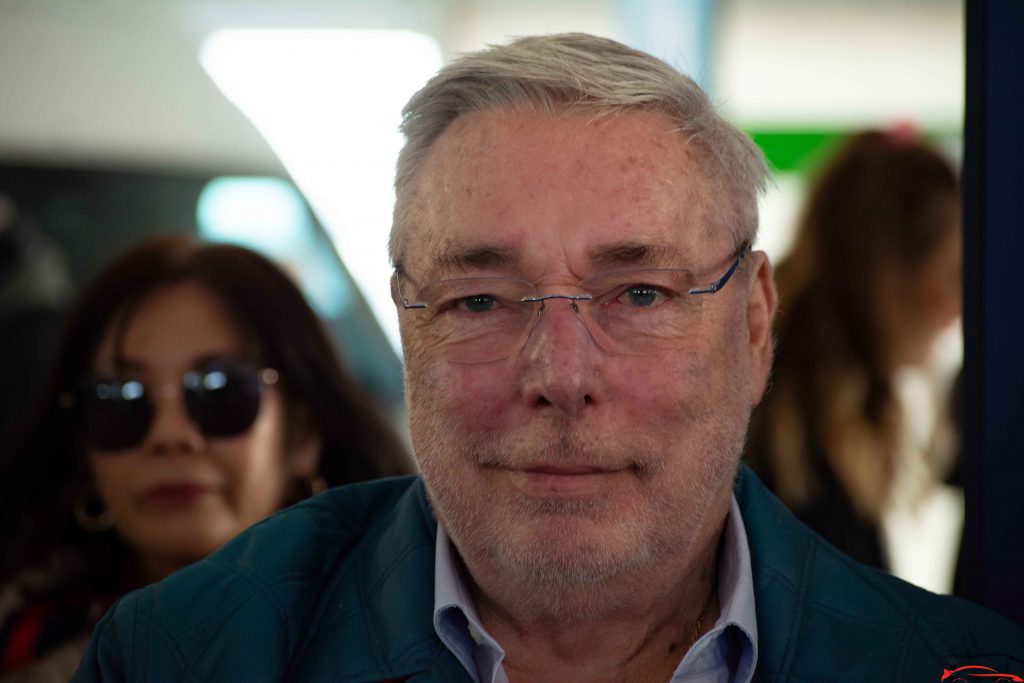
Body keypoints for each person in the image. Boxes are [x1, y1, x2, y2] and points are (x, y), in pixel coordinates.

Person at [73, 34, 1024, 682]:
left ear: (753, 323)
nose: (561, 374)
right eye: (479, 299)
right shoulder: (175, 656)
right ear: (409, 323)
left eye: (641, 294)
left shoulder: (957, 663)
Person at [0, 235, 412, 681]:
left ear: (303, 434)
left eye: (220, 390)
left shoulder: (426, 635)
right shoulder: (23, 642)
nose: (170, 435)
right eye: (120, 400)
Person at [744, 129, 963, 572]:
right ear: (892, 277)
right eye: (955, 276)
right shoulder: (802, 435)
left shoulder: (797, 387)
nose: (958, 308)